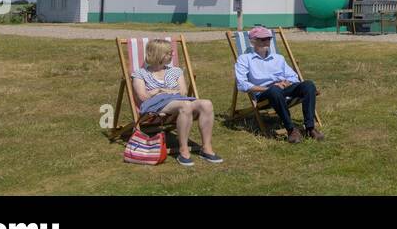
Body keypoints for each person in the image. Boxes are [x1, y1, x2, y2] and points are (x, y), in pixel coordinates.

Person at [131, 39, 222, 167]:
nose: (172, 55)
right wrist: (159, 91)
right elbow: (143, 96)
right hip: (154, 104)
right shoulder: (140, 73)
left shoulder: (176, 71)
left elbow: (183, 92)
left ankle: (206, 148)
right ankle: (183, 151)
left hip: (178, 100)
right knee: (185, 105)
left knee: (207, 103)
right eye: (169, 52)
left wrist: (162, 91)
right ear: (158, 54)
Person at [234, 26, 323, 142]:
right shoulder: (245, 59)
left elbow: (293, 76)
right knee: (274, 90)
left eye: (268, 38)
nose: (267, 41)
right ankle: (291, 130)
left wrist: (286, 83)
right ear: (252, 42)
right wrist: (267, 88)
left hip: (282, 89)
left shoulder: (278, 58)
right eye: (262, 39)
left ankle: (310, 128)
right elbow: (241, 84)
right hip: (264, 94)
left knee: (308, 85)